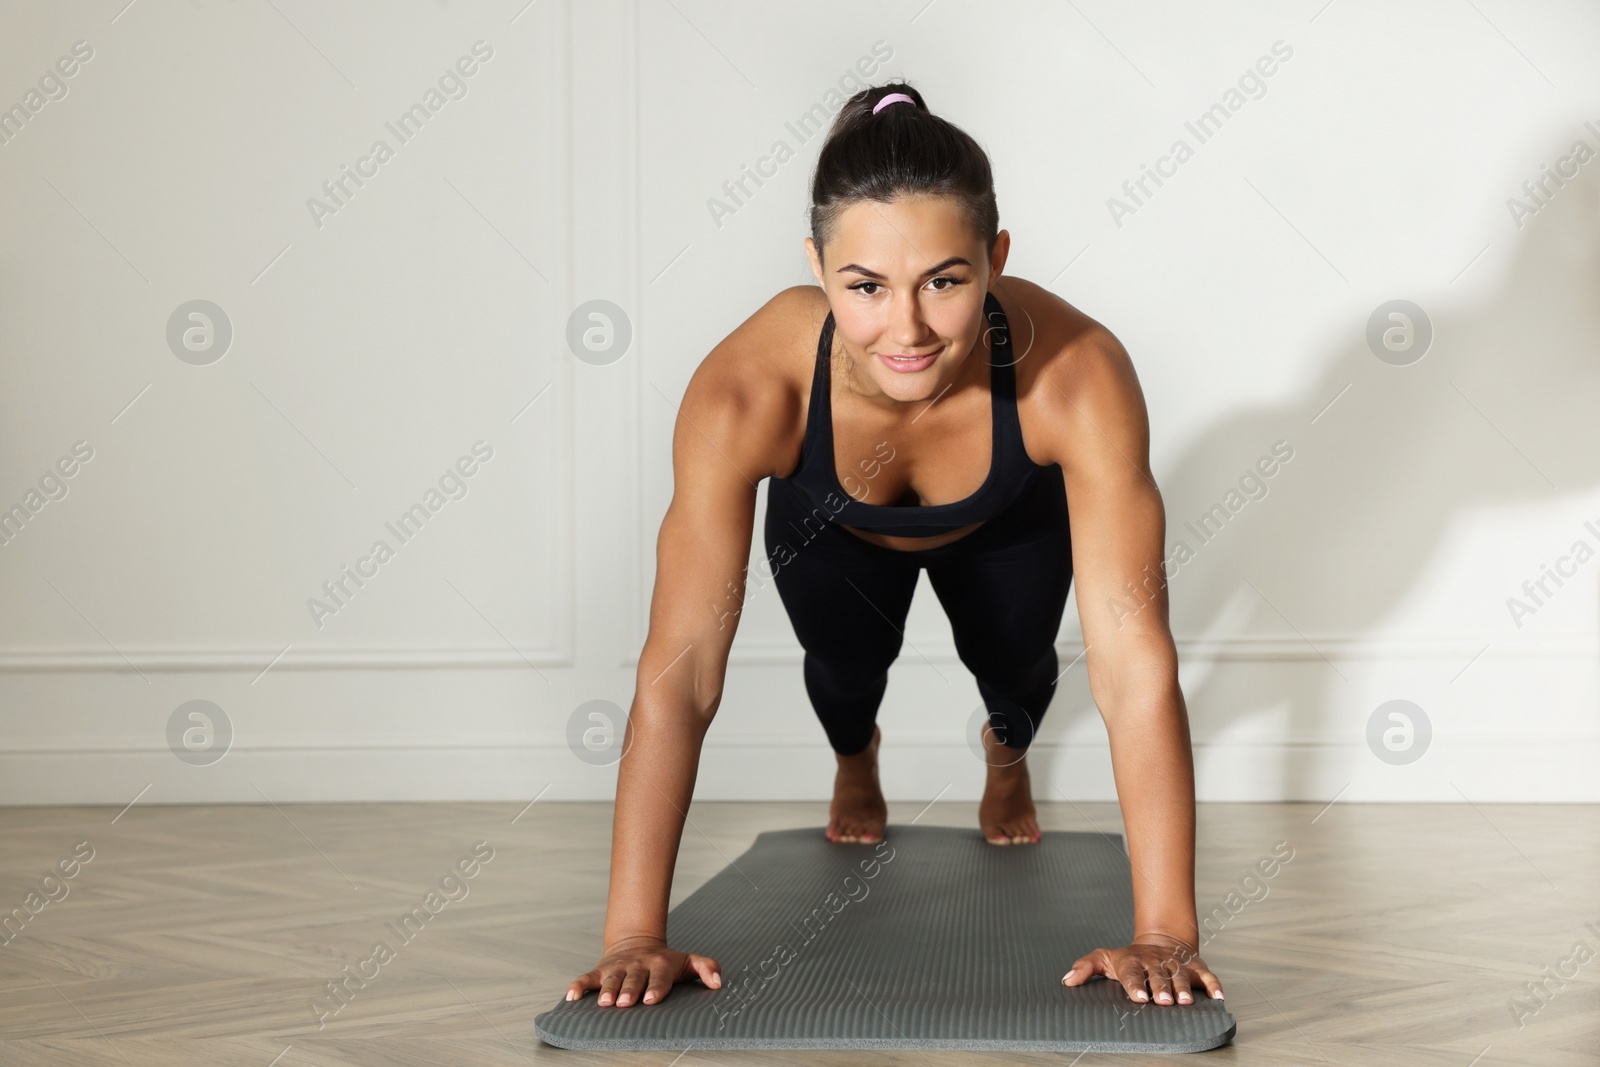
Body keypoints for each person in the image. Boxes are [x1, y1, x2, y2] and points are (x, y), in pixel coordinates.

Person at [566, 82, 1223, 1014]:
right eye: (865, 287)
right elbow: (680, 672)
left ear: (995, 260)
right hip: (834, 524)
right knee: (842, 670)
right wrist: (633, 935)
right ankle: (855, 758)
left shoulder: (1076, 374)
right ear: (818, 266)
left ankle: (1007, 759)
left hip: (1005, 523)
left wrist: (1165, 932)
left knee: (1020, 675)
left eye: (945, 282)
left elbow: (1133, 663)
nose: (906, 329)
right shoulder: (747, 390)